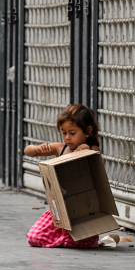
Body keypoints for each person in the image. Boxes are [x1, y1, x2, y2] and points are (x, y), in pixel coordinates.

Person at [24, 104, 101, 248]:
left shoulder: (91, 149)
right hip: (60, 207)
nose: (67, 138)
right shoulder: (61, 148)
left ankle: (64, 241)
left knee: (83, 242)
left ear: (87, 132)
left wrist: (85, 151)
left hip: (82, 209)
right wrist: (37, 149)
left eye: (72, 133)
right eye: (64, 133)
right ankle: (63, 241)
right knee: (34, 237)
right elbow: (27, 151)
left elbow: (95, 161)